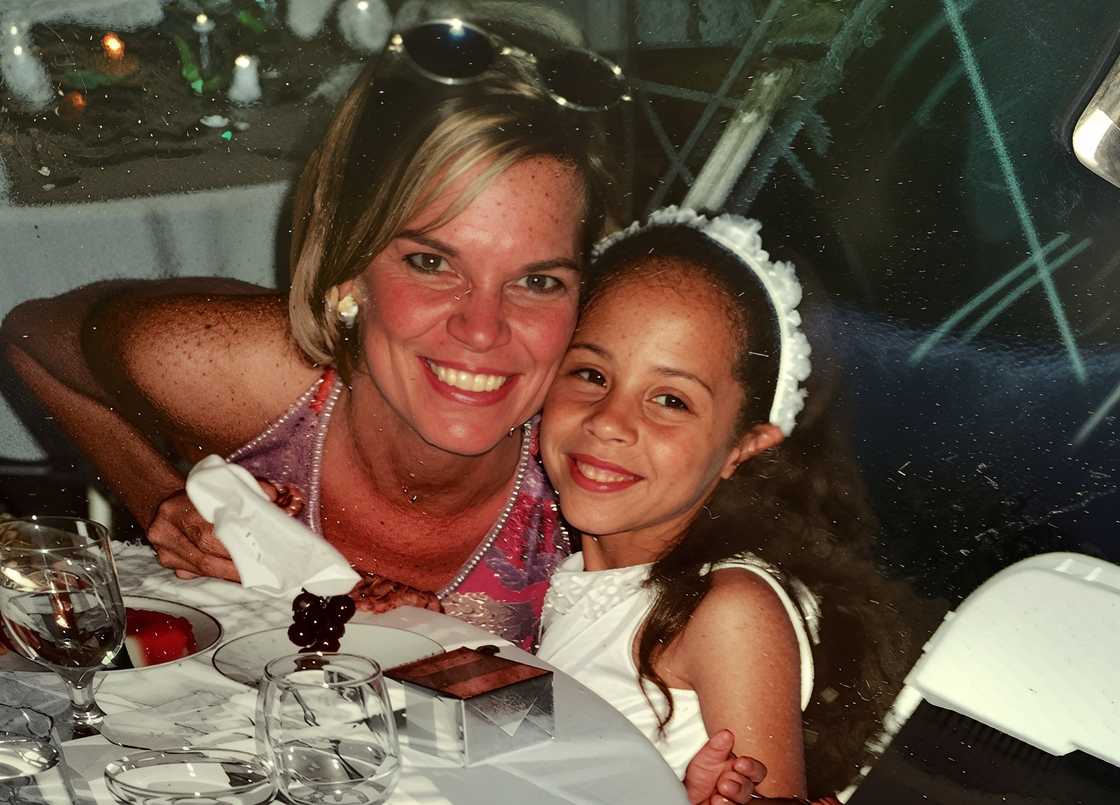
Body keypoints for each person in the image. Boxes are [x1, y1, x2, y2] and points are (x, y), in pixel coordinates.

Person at [0, 13, 767, 805]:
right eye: (432, 261)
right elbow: (27, 337)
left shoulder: (602, 460)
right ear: (350, 272)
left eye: (538, 279)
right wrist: (164, 493)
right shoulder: (241, 371)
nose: (482, 330)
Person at [535, 207, 846, 802]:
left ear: (743, 447)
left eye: (670, 400)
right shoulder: (562, 562)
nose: (608, 422)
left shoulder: (730, 611)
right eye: (591, 374)